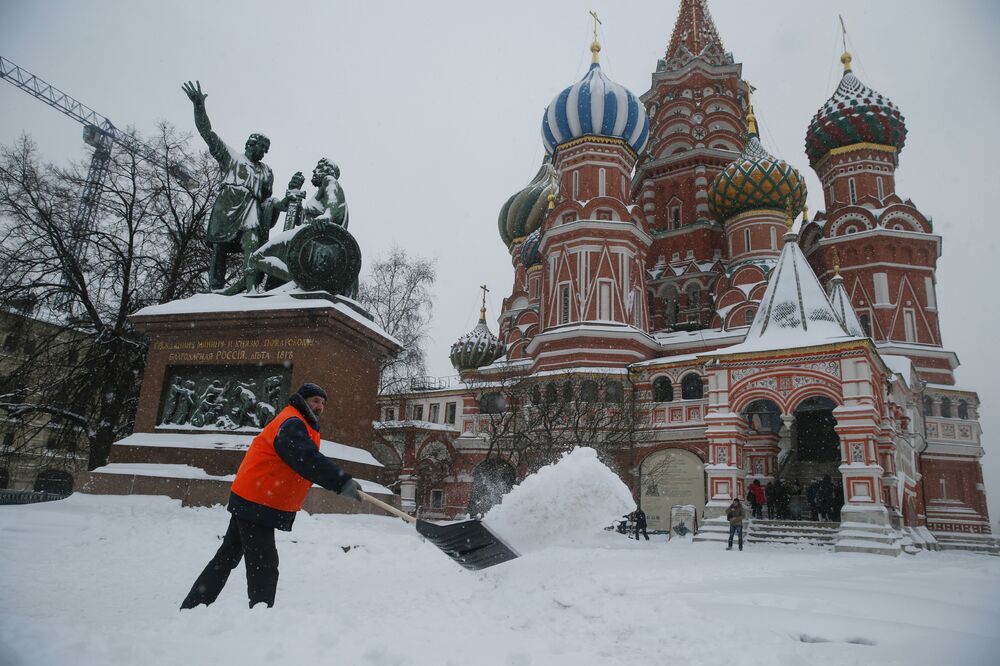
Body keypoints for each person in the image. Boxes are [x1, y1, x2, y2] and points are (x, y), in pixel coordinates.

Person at [180, 383, 361, 609]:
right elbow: (306, 459)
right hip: (258, 500)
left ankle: (193, 606)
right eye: (315, 401)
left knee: (227, 557)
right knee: (263, 564)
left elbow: (307, 458)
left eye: (323, 403)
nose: (320, 407)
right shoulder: (292, 422)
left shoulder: (299, 423)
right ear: (302, 400)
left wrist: (341, 482)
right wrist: (341, 481)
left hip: (253, 496)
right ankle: (261, 616)